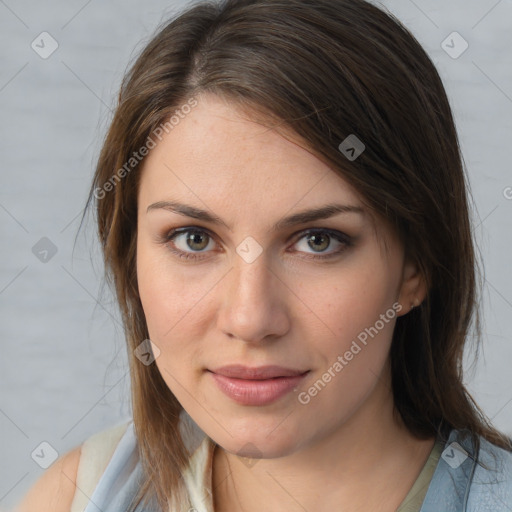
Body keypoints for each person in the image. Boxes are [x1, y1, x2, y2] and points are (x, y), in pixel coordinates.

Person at [16, 0, 512, 511]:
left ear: (416, 266)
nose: (251, 319)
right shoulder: (76, 497)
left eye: (318, 240)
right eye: (194, 239)